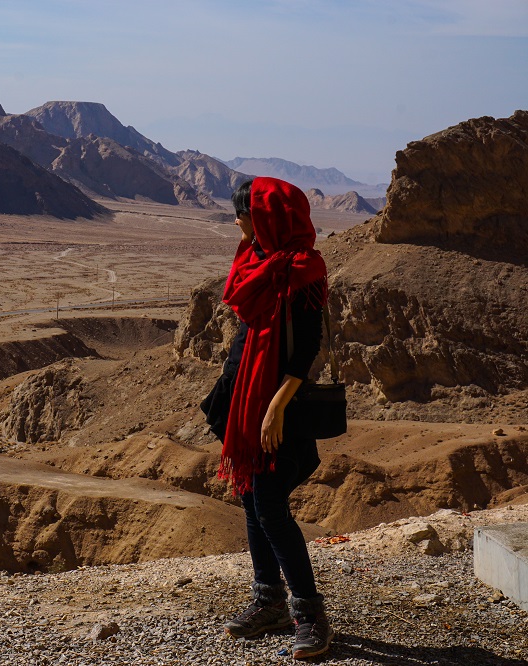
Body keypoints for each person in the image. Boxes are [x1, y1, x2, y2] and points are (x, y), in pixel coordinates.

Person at [200, 177, 332, 660]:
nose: (237, 220)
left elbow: (309, 346)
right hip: (244, 402)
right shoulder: (258, 258)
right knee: (252, 499)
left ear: (269, 218)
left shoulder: (302, 270)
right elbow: (236, 296)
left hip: (279, 408)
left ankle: (310, 614)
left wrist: (276, 405)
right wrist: (245, 240)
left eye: (244, 213)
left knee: (271, 505)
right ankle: (268, 599)